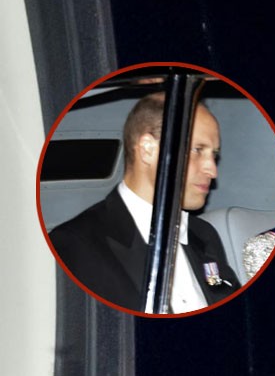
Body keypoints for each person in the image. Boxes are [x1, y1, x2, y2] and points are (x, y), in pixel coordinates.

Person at [49, 91, 241, 313]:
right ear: (148, 150)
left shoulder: (204, 235)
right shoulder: (76, 245)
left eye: (214, 155)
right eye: (198, 150)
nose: (212, 170)